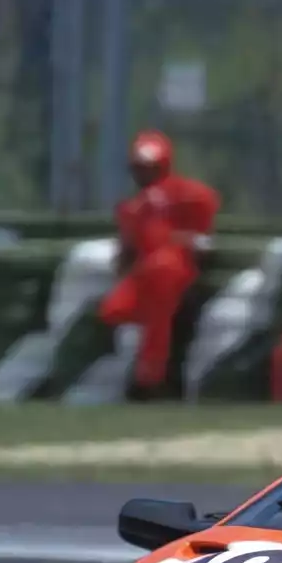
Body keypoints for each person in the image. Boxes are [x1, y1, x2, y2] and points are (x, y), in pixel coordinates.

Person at [98, 131, 220, 395]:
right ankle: (138, 374)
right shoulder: (134, 207)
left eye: (149, 167)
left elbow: (202, 240)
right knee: (113, 310)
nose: (143, 174)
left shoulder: (190, 194)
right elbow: (127, 252)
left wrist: (180, 241)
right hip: (144, 277)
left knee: (160, 292)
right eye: (139, 168)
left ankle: (151, 377)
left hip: (173, 275)